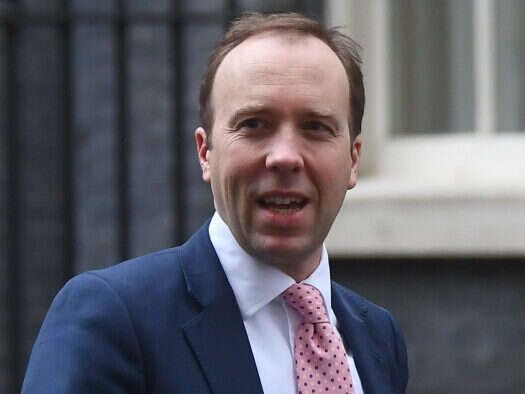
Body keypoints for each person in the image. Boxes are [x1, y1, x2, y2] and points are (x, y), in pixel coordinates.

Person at [22, 12, 408, 394]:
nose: (285, 156)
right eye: (254, 124)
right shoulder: (113, 320)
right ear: (206, 152)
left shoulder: (378, 336)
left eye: (315, 127)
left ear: (353, 160)